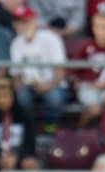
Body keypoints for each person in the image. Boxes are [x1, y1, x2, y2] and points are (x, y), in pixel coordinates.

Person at [10, 5, 68, 133]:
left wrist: (47, 86)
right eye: (18, 21)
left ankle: (50, 130)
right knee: (21, 97)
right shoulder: (16, 43)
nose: (21, 25)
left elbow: (60, 72)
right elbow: (16, 75)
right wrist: (19, 88)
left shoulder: (51, 39)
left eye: (24, 21)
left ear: (34, 22)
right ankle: (30, 129)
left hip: (53, 84)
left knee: (54, 98)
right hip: (28, 85)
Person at [71, 13, 105, 128]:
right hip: (88, 86)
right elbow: (73, 68)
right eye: (99, 27)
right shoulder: (87, 46)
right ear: (94, 29)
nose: (103, 31)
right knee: (95, 110)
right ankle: (79, 129)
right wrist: (75, 81)